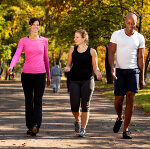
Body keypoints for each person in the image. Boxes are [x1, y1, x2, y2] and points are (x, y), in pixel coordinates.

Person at [7, 17, 51, 136]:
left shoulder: (44, 41)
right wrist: (11, 66)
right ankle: (30, 126)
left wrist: (49, 75)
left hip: (40, 74)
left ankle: (36, 124)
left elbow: (46, 59)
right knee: (28, 100)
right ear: (30, 26)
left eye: (38, 25)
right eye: (34, 25)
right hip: (26, 74)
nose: (36, 27)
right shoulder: (23, 41)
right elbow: (17, 54)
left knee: (38, 100)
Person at [108, 13, 145, 139]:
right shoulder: (116, 34)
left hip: (133, 71)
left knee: (130, 97)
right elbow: (111, 52)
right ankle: (119, 117)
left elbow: (141, 58)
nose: (130, 26)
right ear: (125, 22)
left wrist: (142, 78)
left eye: (133, 23)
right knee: (118, 100)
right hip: (119, 70)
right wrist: (112, 68)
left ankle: (126, 129)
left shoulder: (140, 37)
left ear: (135, 23)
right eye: (128, 23)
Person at [64, 29, 102, 137]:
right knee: (74, 105)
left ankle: (83, 129)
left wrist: (98, 74)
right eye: (75, 37)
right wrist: (67, 68)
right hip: (74, 80)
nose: (75, 39)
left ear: (84, 38)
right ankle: (77, 120)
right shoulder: (72, 49)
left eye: (77, 37)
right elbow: (68, 64)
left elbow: (95, 67)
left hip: (87, 80)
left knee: (85, 105)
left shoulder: (92, 51)